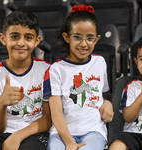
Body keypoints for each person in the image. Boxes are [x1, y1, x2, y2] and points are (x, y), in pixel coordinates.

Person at [43, 4, 113, 150]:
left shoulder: (100, 62)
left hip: (94, 131)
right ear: (66, 37)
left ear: (97, 39)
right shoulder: (56, 69)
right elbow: (55, 111)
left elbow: (100, 95)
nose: (84, 43)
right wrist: (69, 141)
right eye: (77, 37)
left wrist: (108, 103)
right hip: (61, 133)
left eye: (90, 38)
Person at [0, 10, 51, 150]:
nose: (21, 43)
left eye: (28, 37)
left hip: (35, 131)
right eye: (14, 36)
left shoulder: (48, 71)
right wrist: (2, 102)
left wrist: (18, 136)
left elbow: (49, 118)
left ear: (37, 41)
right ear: (3, 39)